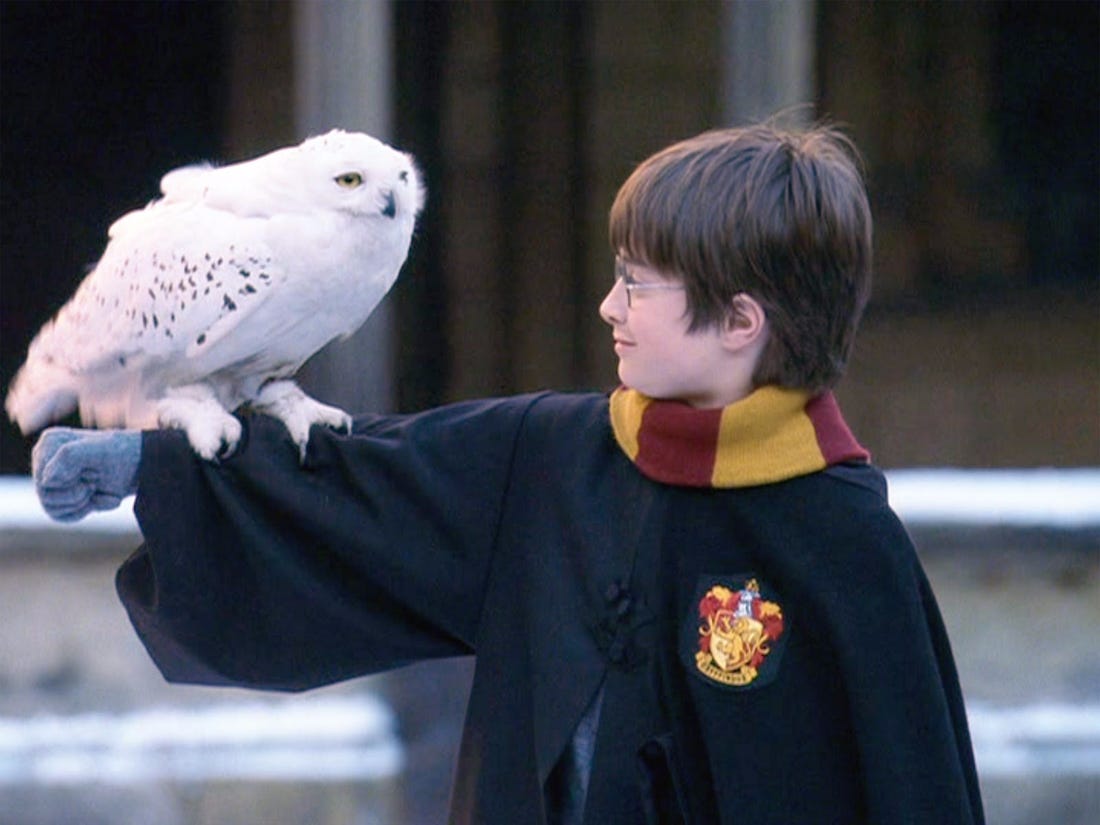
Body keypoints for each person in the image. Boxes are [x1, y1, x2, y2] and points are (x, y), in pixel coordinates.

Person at [30, 121, 985, 824]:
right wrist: (152, 465)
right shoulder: (549, 458)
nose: (609, 304)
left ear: (740, 321)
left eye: (640, 283)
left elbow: (918, 791)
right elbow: (359, 486)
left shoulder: (849, 544)